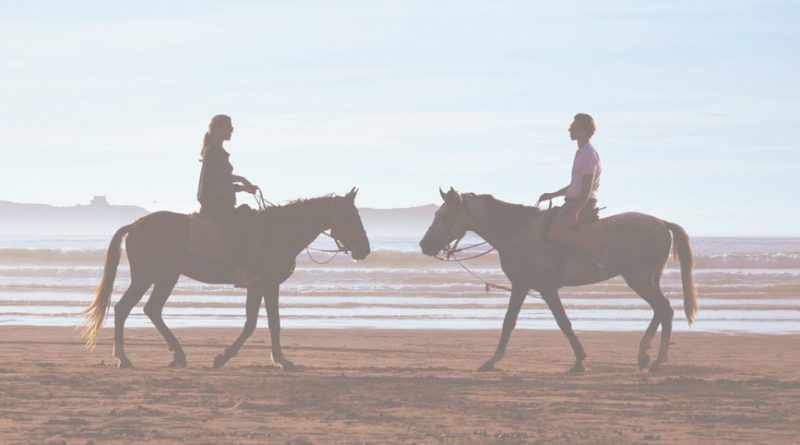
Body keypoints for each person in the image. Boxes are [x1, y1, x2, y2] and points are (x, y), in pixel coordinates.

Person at [197, 114, 260, 286]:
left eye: (231, 128)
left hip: (220, 201)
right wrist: (243, 182)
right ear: (216, 129)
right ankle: (240, 271)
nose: (231, 131)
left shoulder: (216, 151)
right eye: (227, 128)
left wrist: (243, 186)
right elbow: (219, 180)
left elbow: (222, 180)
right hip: (215, 203)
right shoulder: (213, 151)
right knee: (244, 225)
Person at [539, 113, 603, 262]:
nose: (570, 130)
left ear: (583, 130)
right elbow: (575, 185)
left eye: (573, 127)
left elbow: (586, 187)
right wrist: (552, 195)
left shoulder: (588, 154)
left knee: (554, 233)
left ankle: (594, 249)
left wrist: (576, 212)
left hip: (582, 202)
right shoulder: (580, 152)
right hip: (574, 201)